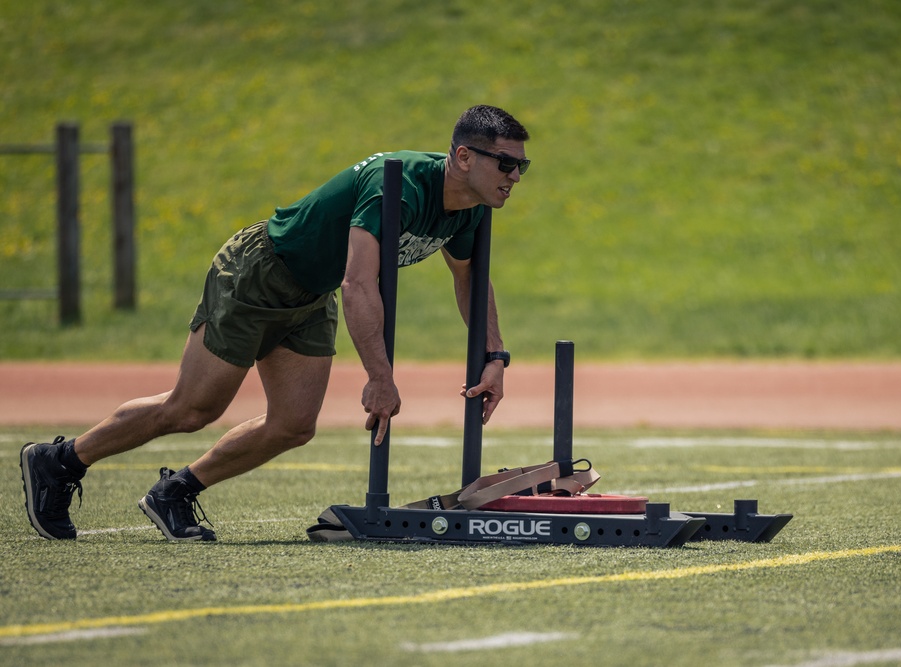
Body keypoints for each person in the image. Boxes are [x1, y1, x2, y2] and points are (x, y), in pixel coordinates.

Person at [20, 104, 530, 542]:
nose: (514, 176)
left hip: (311, 292)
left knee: (292, 425)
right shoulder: (397, 184)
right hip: (261, 270)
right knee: (193, 408)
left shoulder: (471, 209)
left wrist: (494, 356)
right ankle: (60, 460)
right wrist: (378, 377)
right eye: (506, 163)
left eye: (522, 167)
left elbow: (470, 281)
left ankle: (175, 491)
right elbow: (358, 283)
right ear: (464, 157)